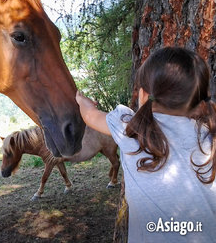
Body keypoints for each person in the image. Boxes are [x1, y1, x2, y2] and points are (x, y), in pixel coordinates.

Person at [76, 47, 216, 243]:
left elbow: (90, 116)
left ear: (143, 95)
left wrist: (81, 100)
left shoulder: (129, 130)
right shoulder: (211, 138)